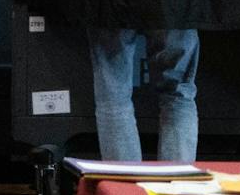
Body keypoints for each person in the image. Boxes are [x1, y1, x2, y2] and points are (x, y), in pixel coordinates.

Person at [85, 29, 201, 163]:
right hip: (172, 16)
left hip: (112, 16)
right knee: (177, 94)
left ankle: (123, 176)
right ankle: (177, 176)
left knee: (114, 95)